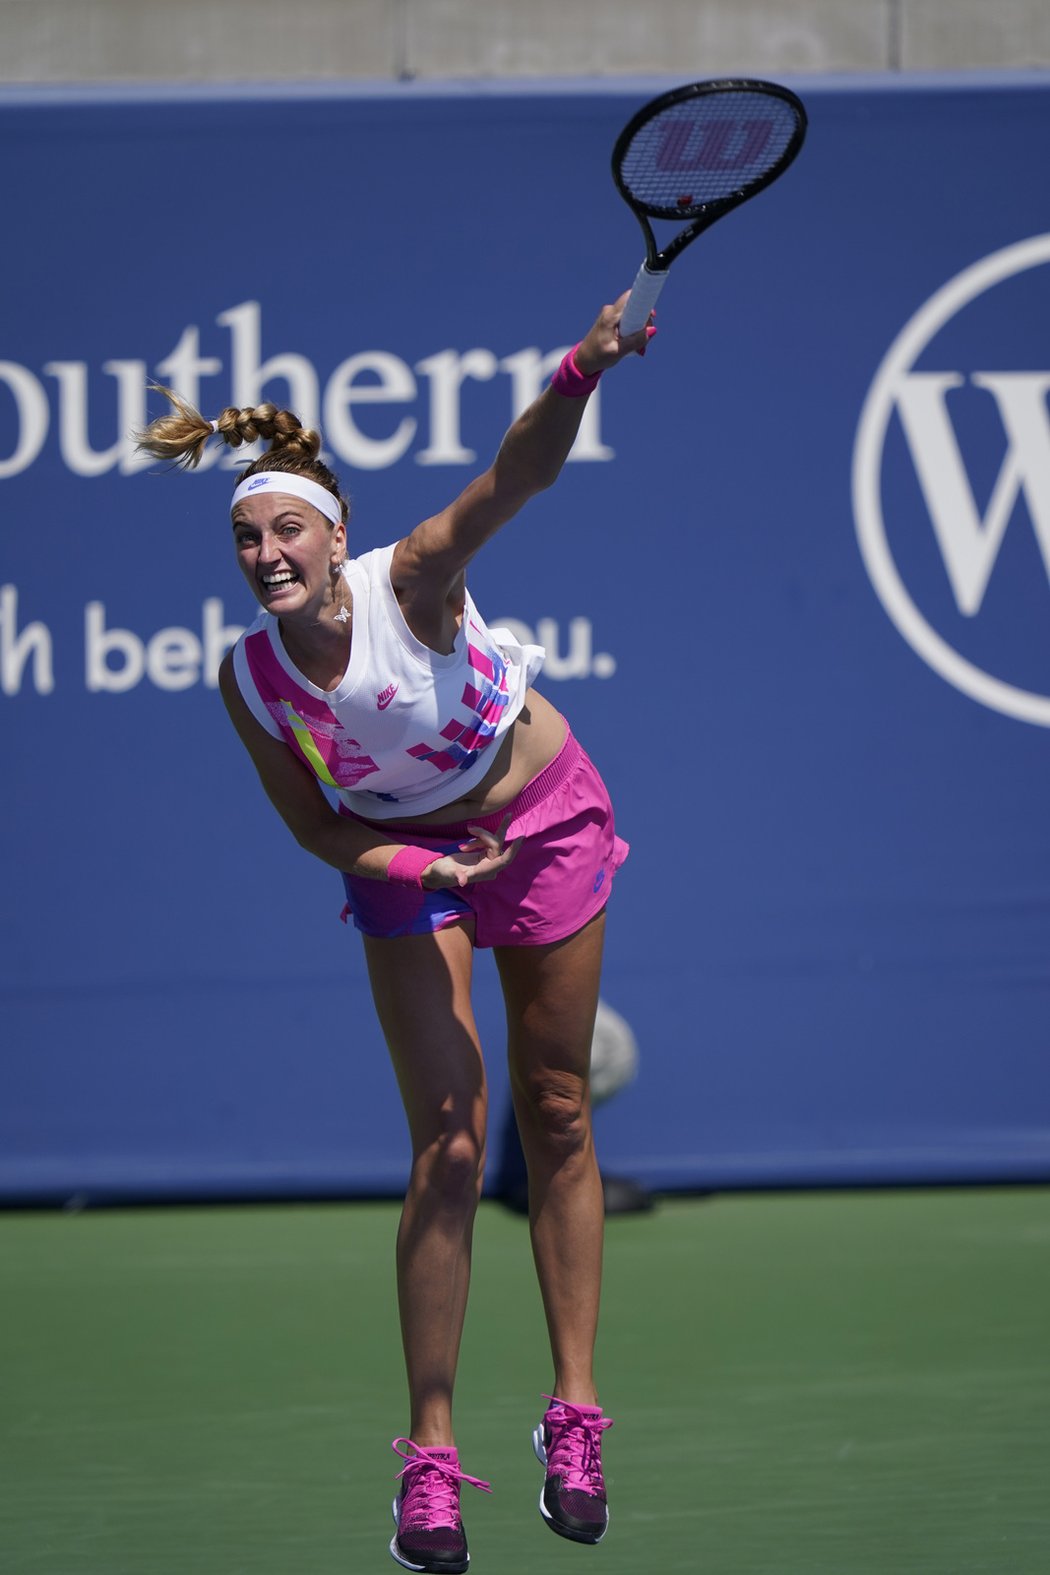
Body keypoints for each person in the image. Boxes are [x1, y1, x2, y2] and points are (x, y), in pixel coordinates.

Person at [135, 292, 653, 1574]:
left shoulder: (412, 579)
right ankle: (429, 1460)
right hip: (406, 863)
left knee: (558, 1107)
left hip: (539, 817)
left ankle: (574, 1416)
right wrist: (419, 857)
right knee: (446, 1141)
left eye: (289, 528)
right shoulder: (248, 682)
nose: (268, 553)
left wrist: (582, 369)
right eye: (248, 536)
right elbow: (316, 830)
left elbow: (513, 475)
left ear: (337, 534)